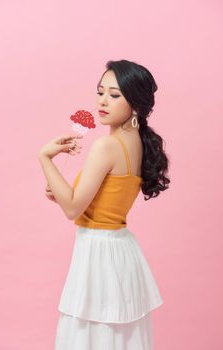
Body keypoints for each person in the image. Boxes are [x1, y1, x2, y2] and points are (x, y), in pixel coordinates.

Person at [39, 59, 170, 349]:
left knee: (91, 338)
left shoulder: (106, 145)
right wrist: (60, 192)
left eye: (114, 95)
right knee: (117, 338)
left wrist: (45, 158)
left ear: (135, 103)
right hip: (120, 249)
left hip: (98, 251)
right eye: (100, 92)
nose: (103, 101)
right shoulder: (136, 141)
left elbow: (73, 209)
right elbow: (101, 202)